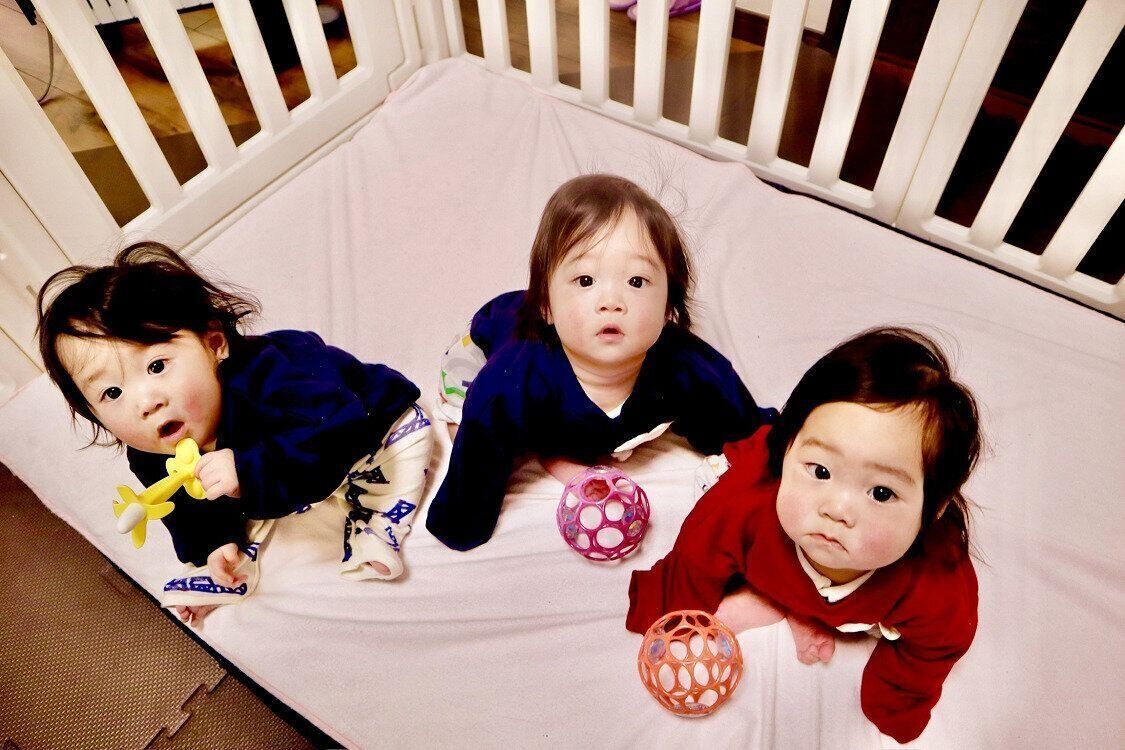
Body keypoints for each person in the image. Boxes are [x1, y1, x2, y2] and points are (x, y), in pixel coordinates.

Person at [37, 242, 434, 625]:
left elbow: (336, 430)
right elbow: (184, 507)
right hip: (288, 472)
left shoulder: (273, 372)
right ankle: (233, 568)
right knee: (228, 504)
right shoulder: (150, 450)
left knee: (401, 449)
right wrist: (213, 544)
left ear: (214, 344)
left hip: (362, 426)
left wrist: (247, 467)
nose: (146, 403)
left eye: (157, 366)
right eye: (111, 393)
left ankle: (379, 520)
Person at [626, 327, 983, 744]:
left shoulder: (937, 584)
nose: (836, 510)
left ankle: (794, 604)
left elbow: (938, 646)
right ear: (787, 449)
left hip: (841, 600)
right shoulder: (742, 507)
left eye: (881, 493)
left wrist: (894, 702)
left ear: (934, 510)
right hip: (765, 546)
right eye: (821, 471)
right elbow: (695, 557)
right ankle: (782, 599)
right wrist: (671, 614)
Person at [426, 174, 767, 551]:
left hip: (580, 410)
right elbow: (473, 468)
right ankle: (549, 445)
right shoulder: (508, 382)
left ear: (669, 307)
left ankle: (562, 445)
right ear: (546, 306)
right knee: (466, 422)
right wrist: (463, 521)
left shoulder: (688, 368)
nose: (611, 302)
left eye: (636, 282)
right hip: (483, 348)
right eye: (585, 280)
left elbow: (745, 429)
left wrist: (762, 457)